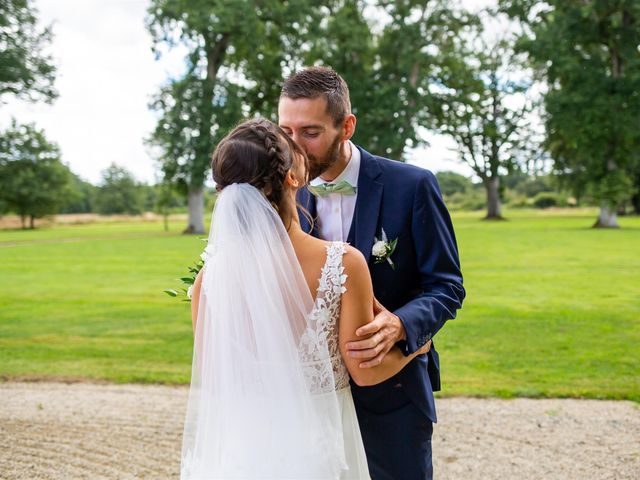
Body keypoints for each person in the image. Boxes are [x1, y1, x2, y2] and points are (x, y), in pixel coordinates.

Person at [181, 118, 430, 479]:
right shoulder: (341, 263)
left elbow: (216, 375)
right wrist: (419, 343)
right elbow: (365, 370)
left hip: (244, 449)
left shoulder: (209, 281)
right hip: (322, 444)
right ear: (292, 180)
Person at [278, 67, 465, 480]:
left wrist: (401, 325)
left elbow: (447, 285)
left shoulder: (413, 185)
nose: (294, 146)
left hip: (393, 395)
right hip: (311, 405)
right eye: (285, 131)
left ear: (346, 126)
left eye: (309, 132)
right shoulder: (279, 193)